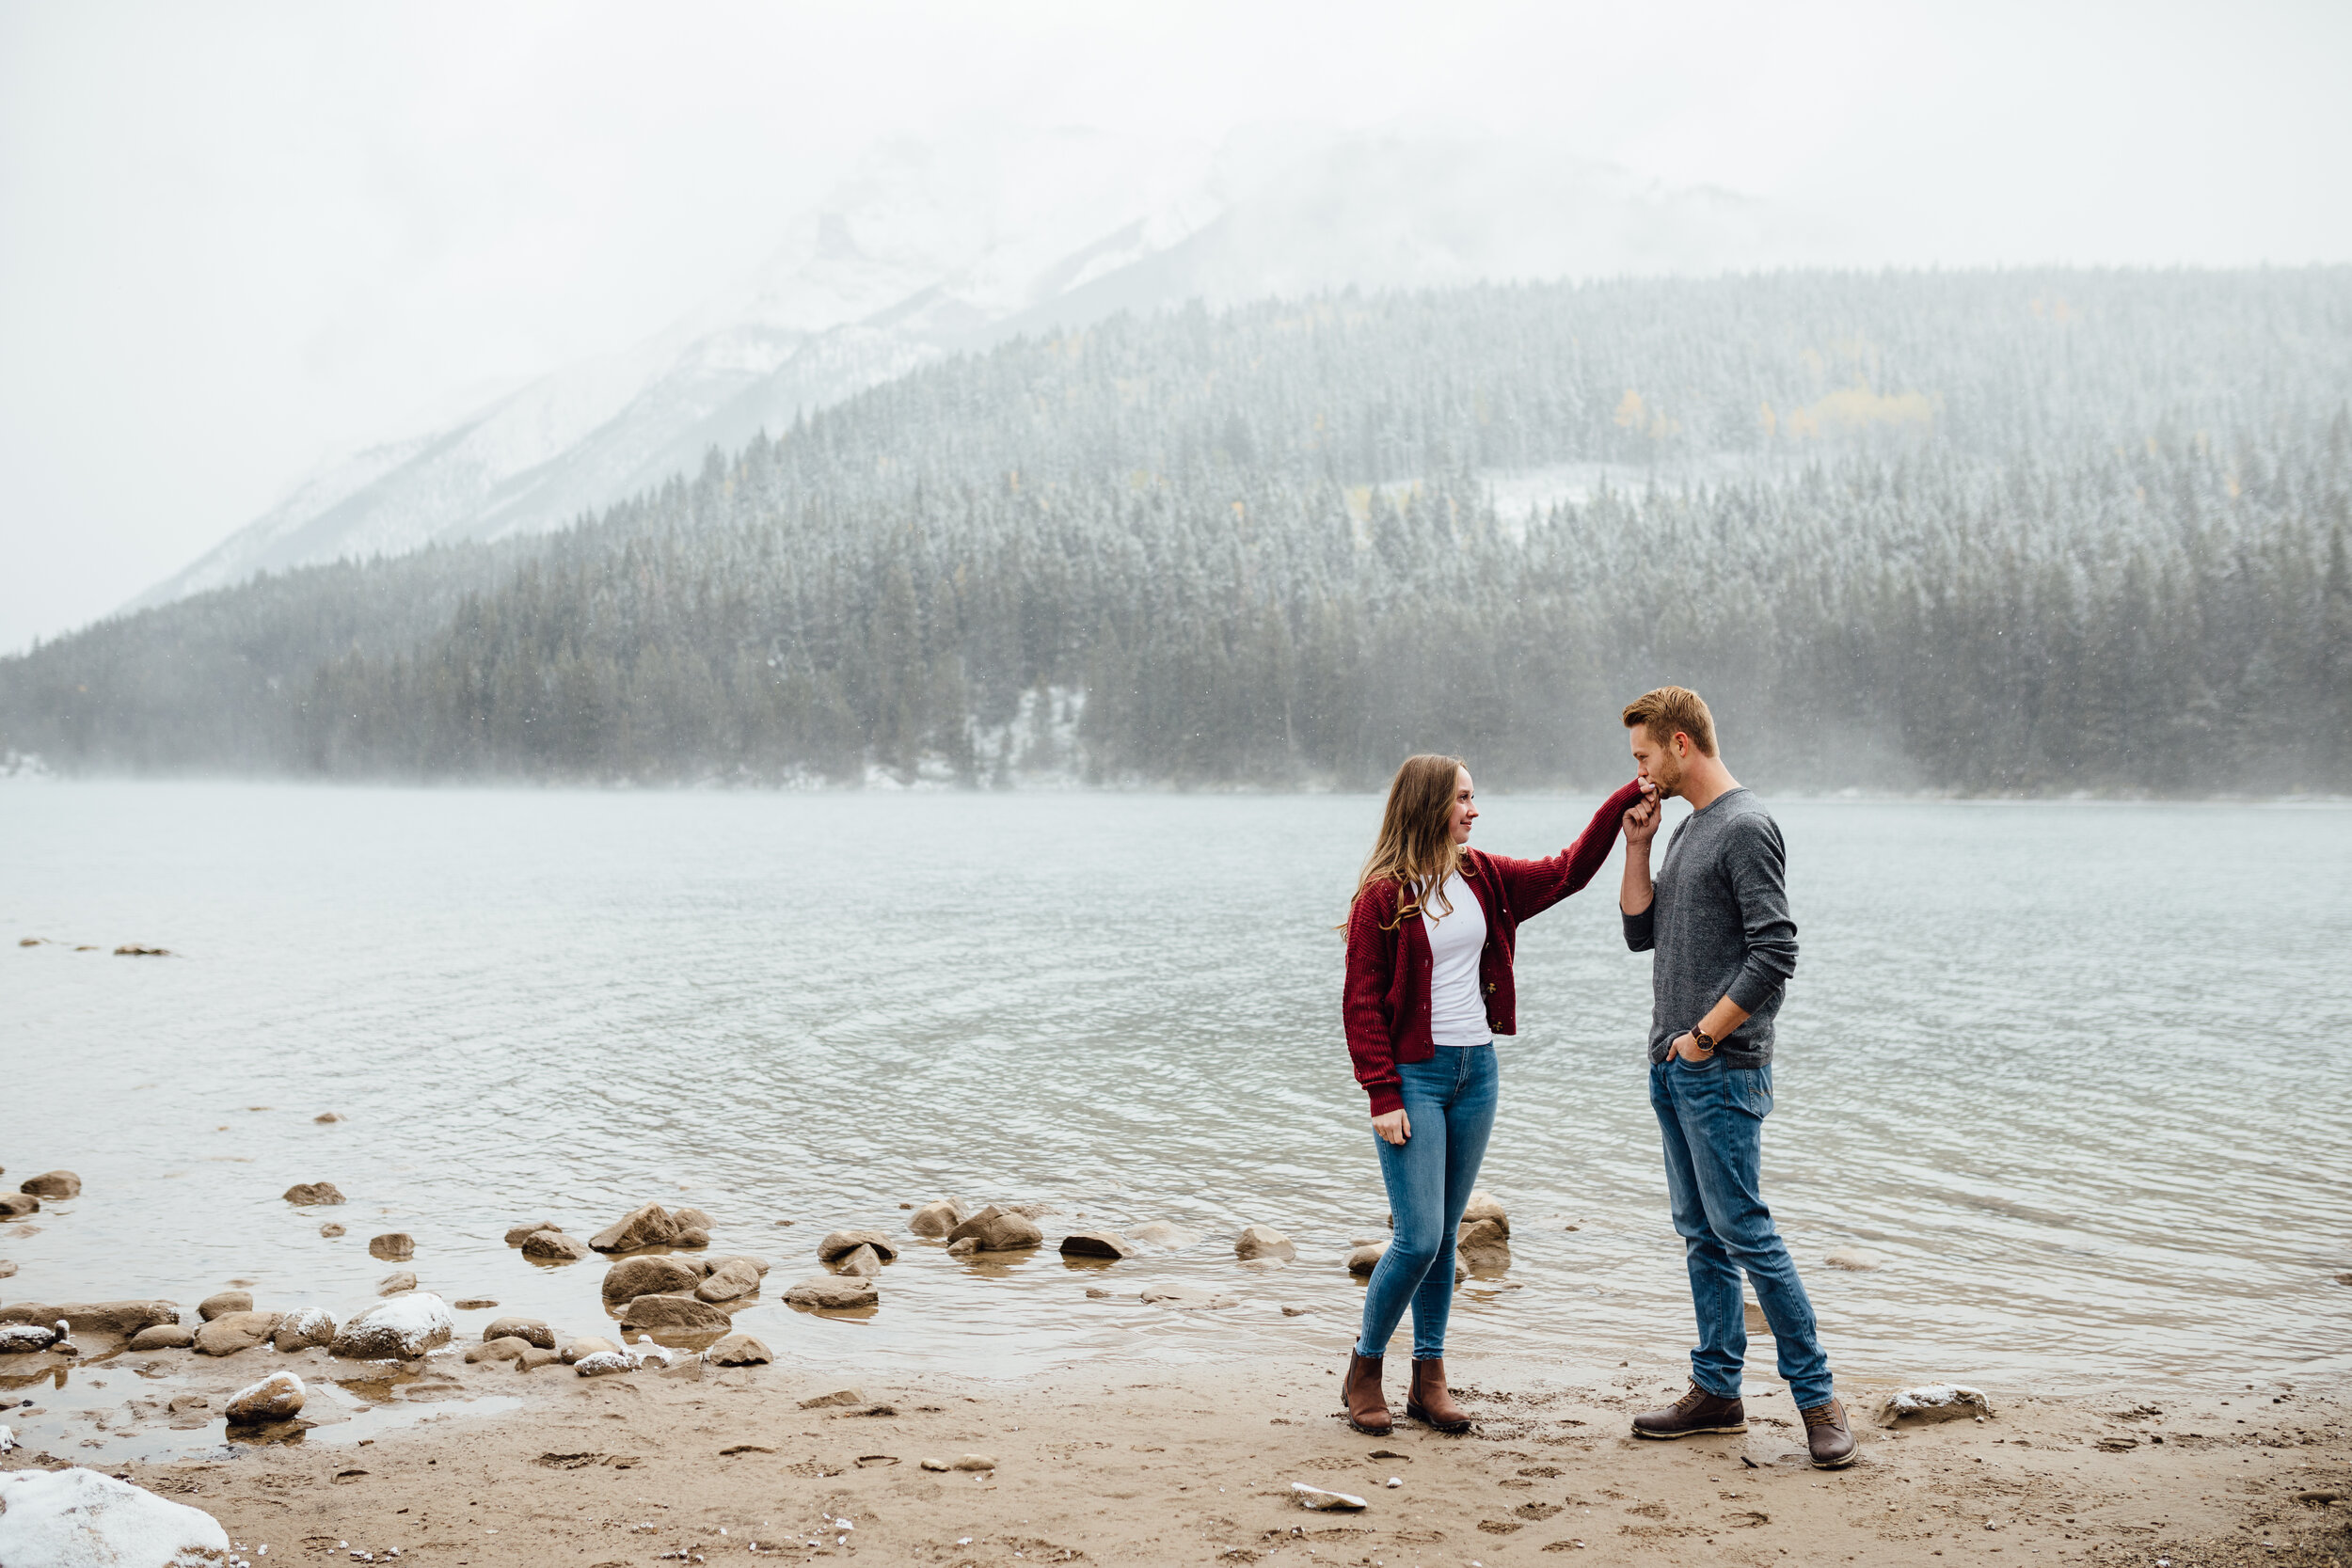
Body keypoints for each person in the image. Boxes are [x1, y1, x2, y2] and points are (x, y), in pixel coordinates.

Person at [1340, 753, 1646, 1435]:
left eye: (1475, 797)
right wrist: (1381, 1092)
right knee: (1417, 1237)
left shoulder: (1485, 877)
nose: (1474, 810)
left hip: (1476, 1074)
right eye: (1463, 799)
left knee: (1446, 1233)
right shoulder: (1382, 897)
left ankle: (1429, 1376)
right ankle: (1364, 1367)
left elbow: (1567, 870)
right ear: (1428, 806)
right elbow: (1361, 1006)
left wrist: (1628, 796)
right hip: (1413, 1076)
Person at [1615, 686, 1855, 1468]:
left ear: (1681, 743)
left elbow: (1776, 953)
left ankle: (1818, 1400)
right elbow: (1640, 933)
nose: (1639, 772)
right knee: (1701, 1236)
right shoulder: (1688, 829)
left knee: (1747, 1232)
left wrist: (1702, 1040)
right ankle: (1717, 1391)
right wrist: (1640, 845)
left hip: (1719, 1070)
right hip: (1674, 1065)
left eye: (1645, 755)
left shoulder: (1747, 826)